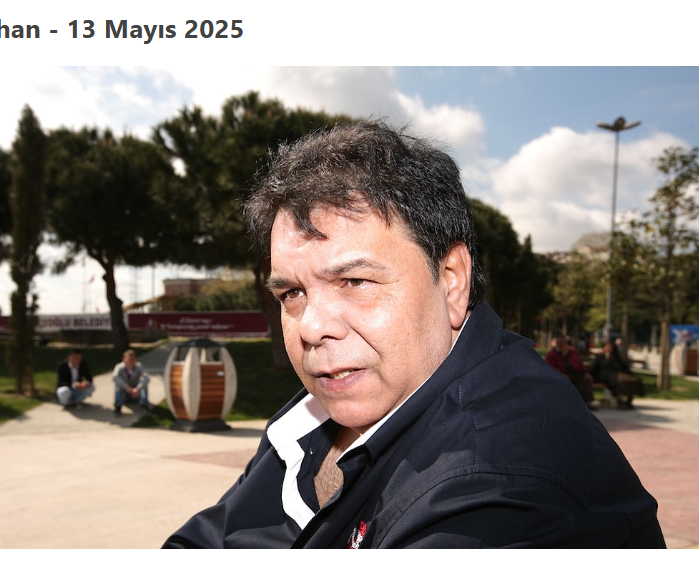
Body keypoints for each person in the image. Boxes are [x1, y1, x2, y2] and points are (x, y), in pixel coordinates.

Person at [162, 120, 664, 548]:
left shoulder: (500, 483)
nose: (311, 327)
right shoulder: (324, 411)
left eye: (355, 281)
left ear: (451, 281)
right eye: (292, 293)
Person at [544, 335, 600, 411]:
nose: (560, 345)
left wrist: (584, 372)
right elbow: (550, 367)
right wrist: (561, 374)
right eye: (558, 343)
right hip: (561, 374)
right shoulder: (552, 354)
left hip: (575, 373)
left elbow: (579, 363)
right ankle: (569, 403)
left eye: (562, 343)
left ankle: (588, 402)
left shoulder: (572, 352)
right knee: (566, 380)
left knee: (586, 379)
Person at [589, 342, 642, 409]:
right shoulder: (600, 357)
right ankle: (619, 400)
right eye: (607, 347)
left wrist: (629, 373)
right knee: (617, 382)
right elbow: (593, 368)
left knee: (633, 380)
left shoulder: (616, 357)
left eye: (610, 347)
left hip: (617, 374)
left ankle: (629, 399)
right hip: (605, 376)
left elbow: (624, 367)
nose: (608, 348)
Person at [112, 349, 151, 416]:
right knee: (118, 386)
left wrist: (138, 388)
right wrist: (126, 387)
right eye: (129, 359)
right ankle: (118, 407)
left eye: (133, 359)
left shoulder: (139, 366)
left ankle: (144, 405)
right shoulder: (119, 367)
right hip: (125, 392)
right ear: (124, 359)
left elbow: (147, 378)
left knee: (144, 385)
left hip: (136, 392)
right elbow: (114, 377)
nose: (131, 361)